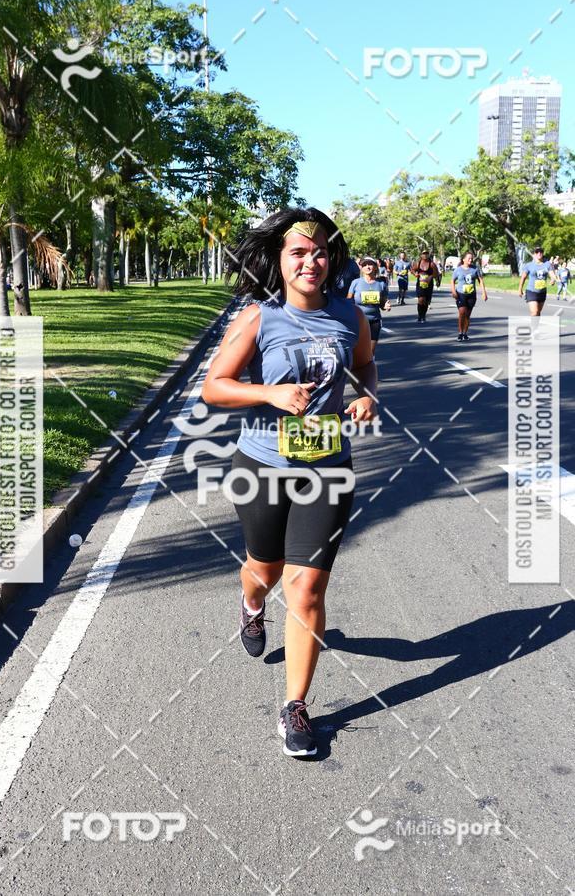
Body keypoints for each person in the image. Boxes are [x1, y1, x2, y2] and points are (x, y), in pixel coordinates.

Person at [202, 208, 377, 758]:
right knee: (265, 571)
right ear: (280, 261)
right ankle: (251, 606)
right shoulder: (259, 318)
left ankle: (295, 706)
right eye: (299, 252)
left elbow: (367, 366)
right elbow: (214, 387)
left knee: (306, 587)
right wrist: (269, 394)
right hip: (261, 466)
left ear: (332, 259)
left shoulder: (351, 316)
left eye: (320, 251)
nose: (311, 261)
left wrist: (368, 396)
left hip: (326, 466)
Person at [348, 256, 392, 355]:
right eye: (364, 265)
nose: (367, 267)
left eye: (370, 264)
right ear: (361, 268)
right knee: (358, 351)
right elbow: (348, 301)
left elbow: (383, 302)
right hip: (358, 321)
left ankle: (369, 367)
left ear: (375, 267)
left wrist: (386, 306)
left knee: (370, 352)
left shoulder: (381, 284)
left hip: (374, 321)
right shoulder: (355, 283)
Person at [450, 251, 488, 340]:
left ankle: (465, 333)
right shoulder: (458, 269)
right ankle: (460, 333)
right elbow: (452, 280)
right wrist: (453, 291)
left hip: (471, 295)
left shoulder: (475, 269)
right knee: (462, 313)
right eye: (469, 258)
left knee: (467, 315)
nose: (471, 260)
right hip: (460, 294)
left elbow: (480, 280)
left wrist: (484, 292)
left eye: (471, 258)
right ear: (464, 259)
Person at [518, 247, 557, 317]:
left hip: (542, 292)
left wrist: (553, 280)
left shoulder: (547, 264)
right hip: (531, 291)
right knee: (534, 312)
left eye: (541, 251)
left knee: (538, 312)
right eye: (537, 252)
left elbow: (552, 275)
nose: (539, 253)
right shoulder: (529, 265)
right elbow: (523, 277)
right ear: (534, 254)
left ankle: (535, 326)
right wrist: (520, 289)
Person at [411, 248, 441, 323]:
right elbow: (412, 270)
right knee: (421, 300)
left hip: (428, 284)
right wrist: (415, 274)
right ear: (421, 255)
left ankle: (423, 315)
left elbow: (436, 273)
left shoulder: (432, 264)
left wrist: (430, 277)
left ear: (428, 255)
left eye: (426, 254)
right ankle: (419, 315)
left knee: (426, 301)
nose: (425, 255)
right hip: (420, 284)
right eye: (424, 254)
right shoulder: (418, 263)